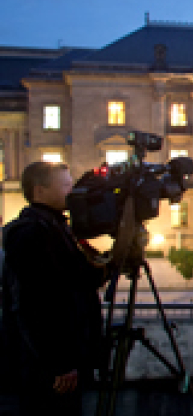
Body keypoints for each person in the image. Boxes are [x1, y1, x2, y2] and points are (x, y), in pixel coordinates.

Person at [1, 162, 107, 416]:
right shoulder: (31, 233)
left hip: (57, 365)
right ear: (40, 191)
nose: (72, 192)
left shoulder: (55, 227)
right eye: (65, 186)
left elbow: (81, 278)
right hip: (47, 371)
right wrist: (60, 363)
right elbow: (33, 304)